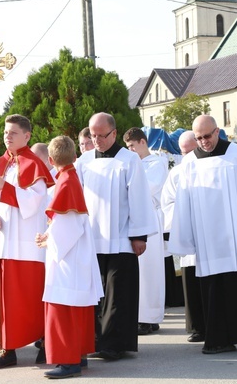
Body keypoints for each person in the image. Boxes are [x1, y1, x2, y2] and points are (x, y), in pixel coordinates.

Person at [169, 115, 237, 354]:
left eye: (207, 136)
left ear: (217, 131)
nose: (203, 142)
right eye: (198, 138)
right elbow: (183, 201)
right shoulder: (189, 162)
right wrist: (185, 237)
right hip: (208, 238)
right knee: (215, 288)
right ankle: (221, 339)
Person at [76, 113, 159, 361]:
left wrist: (139, 235)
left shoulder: (129, 160)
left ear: (113, 133)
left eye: (101, 135)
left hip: (122, 237)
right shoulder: (84, 161)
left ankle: (115, 343)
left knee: (117, 293)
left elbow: (139, 198)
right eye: (92, 135)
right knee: (95, 293)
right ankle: (94, 340)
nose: (97, 140)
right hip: (92, 237)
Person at [0, 114, 55, 369]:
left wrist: (4, 186)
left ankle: (45, 342)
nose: (7, 136)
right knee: (0, 299)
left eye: (13, 133)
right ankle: (6, 349)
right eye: (5, 132)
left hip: (25, 245)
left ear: (27, 136)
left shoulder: (33, 163)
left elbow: (35, 201)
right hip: (1, 242)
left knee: (29, 298)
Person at [35, 135, 103, 379]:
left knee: (63, 308)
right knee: (78, 308)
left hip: (67, 258)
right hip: (77, 254)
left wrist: (48, 240)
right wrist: (50, 235)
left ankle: (68, 361)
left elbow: (66, 228)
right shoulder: (70, 178)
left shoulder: (64, 183)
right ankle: (80, 355)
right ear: (75, 157)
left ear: (51, 160)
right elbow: (67, 222)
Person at [123, 127, 167, 336]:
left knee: (150, 271)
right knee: (136, 271)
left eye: (132, 146)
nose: (130, 150)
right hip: (134, 218)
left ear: (143, 142)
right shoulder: (133, 164)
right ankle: (137, 315)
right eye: (127, 147)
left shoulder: (156, 162)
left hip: (150, 217)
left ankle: (150, 317)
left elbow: (149, 188)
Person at [162, 130, 204, 342]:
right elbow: (166, 203)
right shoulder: (176, 173)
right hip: (188, 234)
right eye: (184, 152)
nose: (187, 156)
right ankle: (197, 327)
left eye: (191, 151)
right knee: (191, 281)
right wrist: (182, 216)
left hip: (209, 235)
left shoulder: (208, 167)